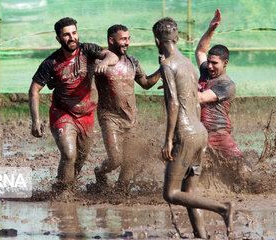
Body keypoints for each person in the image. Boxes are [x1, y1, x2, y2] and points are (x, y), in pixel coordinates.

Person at [153, 17, 234, 238]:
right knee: (189, 192)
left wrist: (169, 140)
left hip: (185, 134)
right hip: (200, 133)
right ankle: (201, 235)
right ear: (177, 38)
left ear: (157, 40)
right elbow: (190, 100)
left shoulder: (168, 65)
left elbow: (174, 103)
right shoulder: (189, 65)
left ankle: (222, 208)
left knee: (170, 193)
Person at [28, 17, 118, 195]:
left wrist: (105, 62)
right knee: (69, 154)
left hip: (87, 115)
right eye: (66, 35)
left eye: (74, 33)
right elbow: (34, 91)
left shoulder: (88, 50)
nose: (72, 38)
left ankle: (65, 187)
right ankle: (62, 195)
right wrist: (35, 121)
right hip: (63, 113)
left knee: (78, 161)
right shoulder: (51, 63)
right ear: (58, 38)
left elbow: (112, 56)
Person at [93, 24, 161, 191]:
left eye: (128, 39)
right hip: (110, 119)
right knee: (115, 160)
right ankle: (100, 171)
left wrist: (162, 69)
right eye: (123, 39)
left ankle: (120, 194)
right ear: (111, 40)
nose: (127, 42)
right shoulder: (99, 62)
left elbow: (145, 84)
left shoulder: (132, 61)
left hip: (131, 119)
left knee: (129, 162)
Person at [195, 9, 244, 161]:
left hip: (218, 133)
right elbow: (200, 51)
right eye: (208, 61)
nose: (209, 66)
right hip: (200, 133)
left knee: (241, 167)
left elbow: (201, 98)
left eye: (214, 63)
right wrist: (211, 29)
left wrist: (176, 86)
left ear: (225, 63)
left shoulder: (226, 85)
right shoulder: (206, 72)